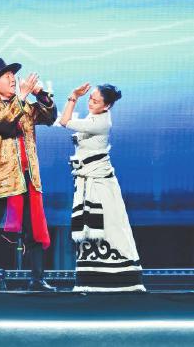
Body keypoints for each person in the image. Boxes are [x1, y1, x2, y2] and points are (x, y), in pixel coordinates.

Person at [0, 58, 58, 292]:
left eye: (13, 76)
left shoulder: (24, 105)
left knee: (33, 230)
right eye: (7, 77)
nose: (13, 80)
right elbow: (4, 123)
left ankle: (37, 279)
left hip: (26, 177)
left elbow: (49, 117)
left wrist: (40, 94)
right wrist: (22, 96)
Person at [58, 83, 145, 292]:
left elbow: (64, 121)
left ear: (106, 106)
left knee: (110, 227)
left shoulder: (101, 122)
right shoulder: (93, 117)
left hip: (100, 184)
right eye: (90, 98)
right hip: (88, 181)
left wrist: (73, 97)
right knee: (91, 230)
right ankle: (91, 278)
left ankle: (120, 279)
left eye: (96, 101)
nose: (90, 103)